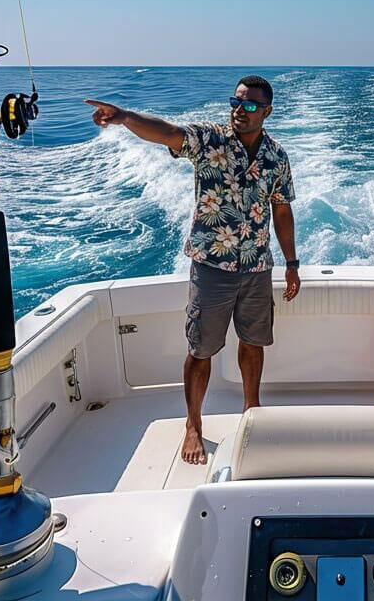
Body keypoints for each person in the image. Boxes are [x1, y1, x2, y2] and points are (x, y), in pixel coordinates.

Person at [84, 75, 301, 465]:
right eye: (236, 102)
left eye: (250, 105)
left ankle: (251, 411)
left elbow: (281, 210)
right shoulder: (209, 140)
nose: (240, 110)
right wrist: (125, 117)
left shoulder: (276, 157)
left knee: (253, 344)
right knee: (200, 349)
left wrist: (291, 263)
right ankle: (193, 425)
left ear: (266, 112)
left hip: (256, 267)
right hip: (211, 268)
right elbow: (168, 133)